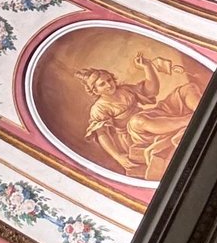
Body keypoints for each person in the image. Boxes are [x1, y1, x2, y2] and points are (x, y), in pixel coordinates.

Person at [75, 53, 204, 179]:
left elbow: (151, 91)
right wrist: (118, 156)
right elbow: (102, 134)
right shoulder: (99, 108)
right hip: (137, 134)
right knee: (137, 120)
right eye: (102, 84)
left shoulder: (125, 90)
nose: (109, 85)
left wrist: (148, 67)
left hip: (152, 118)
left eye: (109, 80)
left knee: (188, 89)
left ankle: (202, 112)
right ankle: (191, 120)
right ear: (95, 90)